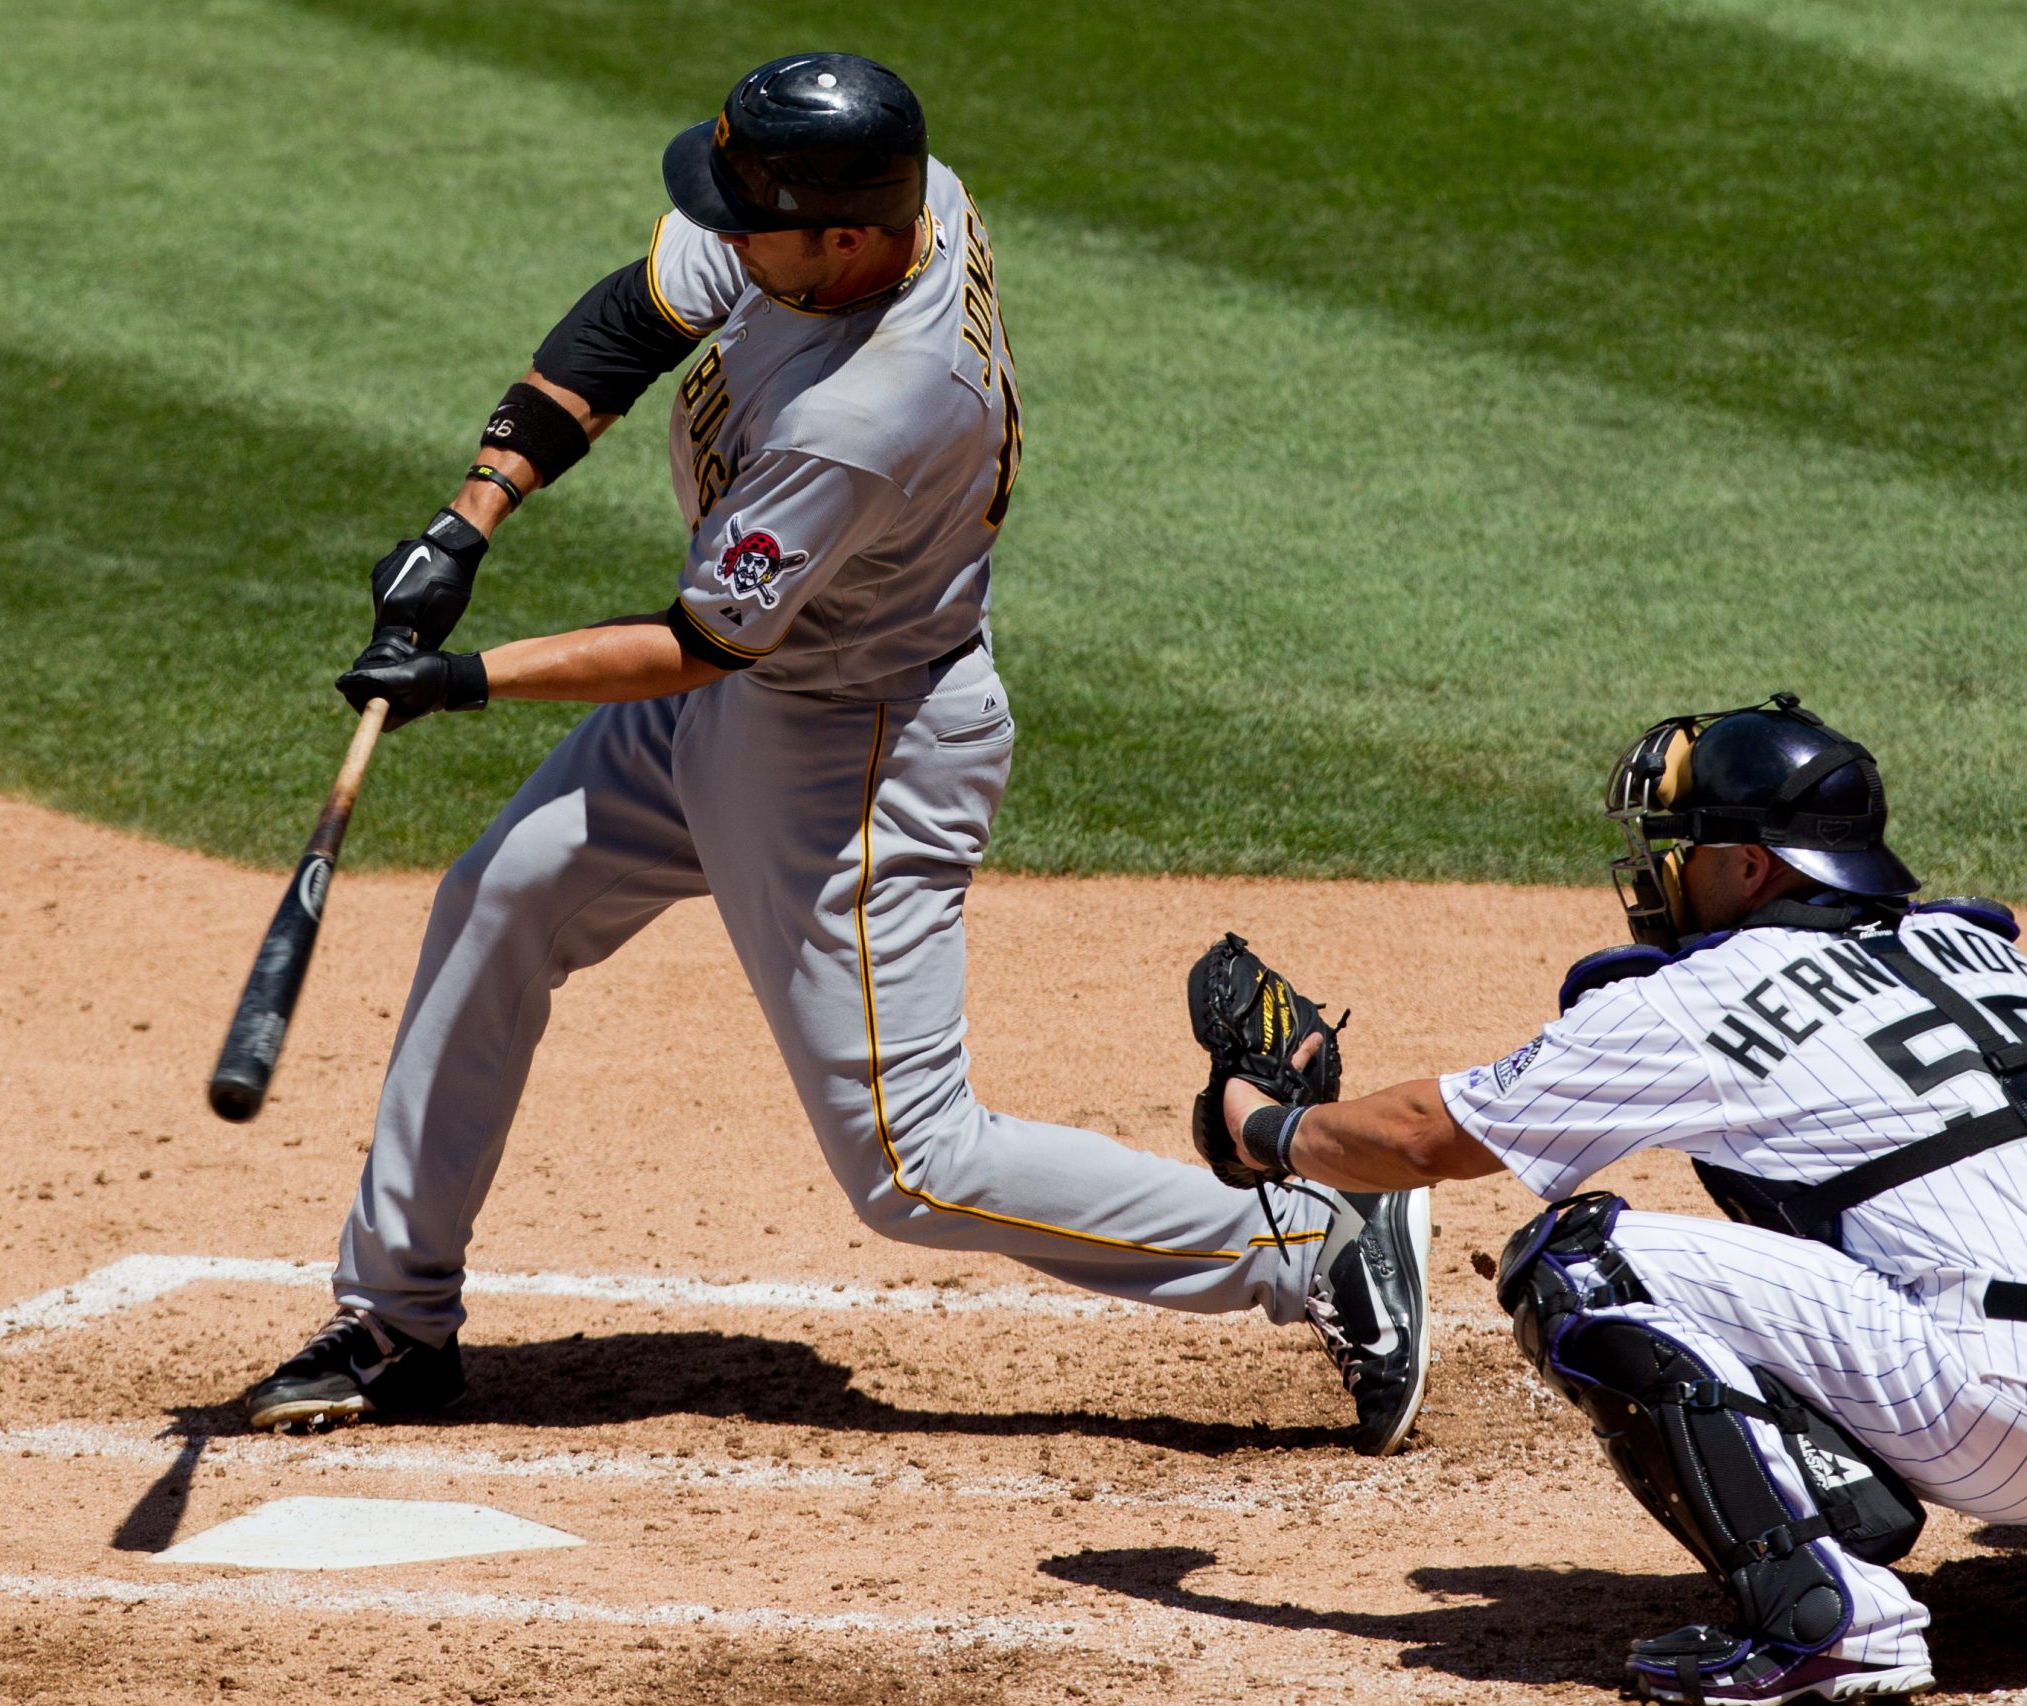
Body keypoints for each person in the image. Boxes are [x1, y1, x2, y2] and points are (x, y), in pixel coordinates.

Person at [239, 52, 1430, 1455]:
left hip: (848, 748)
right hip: (751, 693)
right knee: (504, 897)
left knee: (913, 1166)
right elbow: (637, 313)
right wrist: (470, 516)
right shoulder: (866, 207)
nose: (728, 240)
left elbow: (698, 643)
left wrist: (461, 677)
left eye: (755, 223)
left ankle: (1316, 1238)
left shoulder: (872, 411)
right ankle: (395, 1317)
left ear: (849, 238)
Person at [1217, 692, 2027, 1704]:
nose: (1660, 866)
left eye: (1681, 842)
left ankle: (1829, 1621)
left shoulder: (1701, 993)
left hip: (1998, 1415)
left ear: (1750, 863)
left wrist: (1262, 1125)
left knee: (1578, 1261)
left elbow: (1428, 1131)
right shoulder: (1989, 952)